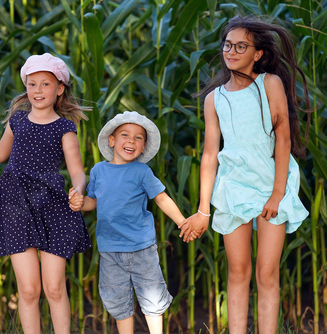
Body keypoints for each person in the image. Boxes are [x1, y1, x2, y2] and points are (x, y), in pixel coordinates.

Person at [180, 16, 310, 333]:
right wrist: (202, 208)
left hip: (269, 182)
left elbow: (282, 137)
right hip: (234, 185)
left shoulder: (269, 83)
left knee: (267, 272)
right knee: (238, 271)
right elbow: (210, 154)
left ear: (258, 54)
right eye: (228, 45)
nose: (232, 51)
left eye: (241, 46)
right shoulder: (215, 98)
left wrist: (278, 192)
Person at [0, 53, 91, 334]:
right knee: (28, 290)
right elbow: (1, 153)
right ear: (26, 87)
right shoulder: (18, 121)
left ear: (60, 88)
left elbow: (77, 170)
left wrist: (78, 189)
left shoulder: (66, 127)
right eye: (32, 84)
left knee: (54, 287)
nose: (37, 91)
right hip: (14, 202)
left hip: (53, 204)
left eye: (45, 84)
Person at [69, 111, 189, 334]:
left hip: (141, 247)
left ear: (143, 147)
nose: (131, 141)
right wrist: (78, 202)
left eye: (138, 138)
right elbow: (93, 202)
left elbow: (161, 198)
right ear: (112, 141)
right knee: (118, 300)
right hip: (110, 249)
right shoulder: (98, 170)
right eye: (125, 135)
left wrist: (182, 222)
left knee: (152, 299)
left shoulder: (142, 172)